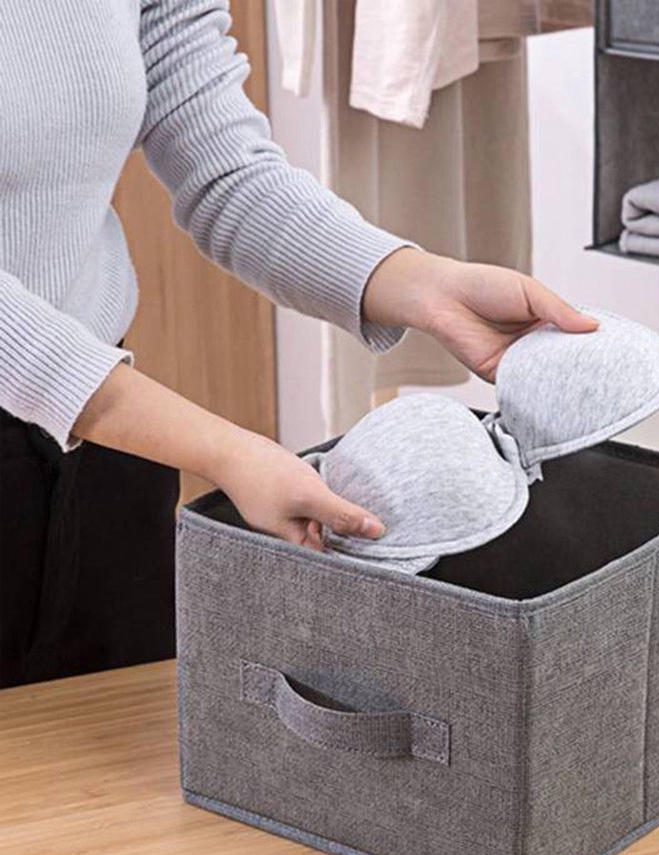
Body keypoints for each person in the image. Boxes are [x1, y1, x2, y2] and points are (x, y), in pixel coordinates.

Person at [0, 0, 596, 688]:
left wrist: (423, 283)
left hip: (107, 461)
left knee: (132, 741)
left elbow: (225, 166)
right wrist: (225, 451)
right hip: (104, 409)